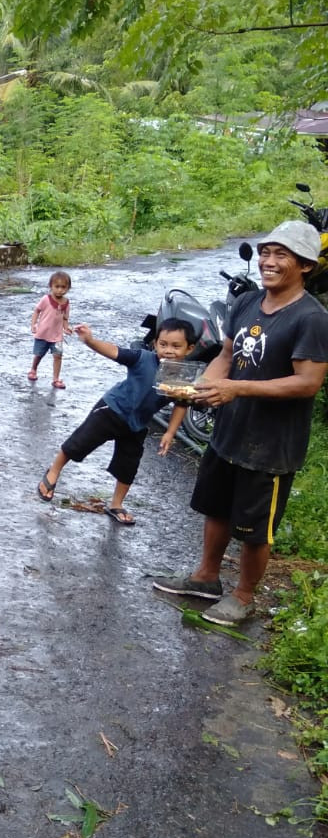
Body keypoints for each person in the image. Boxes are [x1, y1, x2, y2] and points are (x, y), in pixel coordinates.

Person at [153, 221, 328, 624]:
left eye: (281, 255)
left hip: (271, 445)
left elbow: (307, 383)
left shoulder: (311, 319)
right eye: (265, 251)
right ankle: (205, 578)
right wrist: (202, 385)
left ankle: (244, 595)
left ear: (304, 265)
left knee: (254, 528)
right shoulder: (247, 301)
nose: (268, 261)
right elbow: (227, 355)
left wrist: (237, 389)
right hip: (231, 430)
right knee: (215, 508)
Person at [36, 318, 197, 524]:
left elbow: (181, 404)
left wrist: (170, 432)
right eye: (163, 344)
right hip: (112, 409)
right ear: (155, 343)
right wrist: (90, 341)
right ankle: (53, 472)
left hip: (137, 424)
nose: (168, 350)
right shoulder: (142, 358)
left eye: (176, 346)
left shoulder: (183, 377)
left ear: (189, 348)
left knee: (128, 466)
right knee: (79, 443)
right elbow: (114, 352)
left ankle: (116, 504)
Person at [29, 272, 73, 387]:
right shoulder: (45, 299)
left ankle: (56, 379)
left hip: (57, 336)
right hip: (43, 334)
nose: (60, 290)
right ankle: (33, 369)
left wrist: (66, 328)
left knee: (58, 356)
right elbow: (37, 311)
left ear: (68, 288)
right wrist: (34, 324)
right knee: (39, 354)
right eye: (57, 287)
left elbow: (65, 318)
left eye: (63, 287)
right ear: (51, 286)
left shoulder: (66, 303)